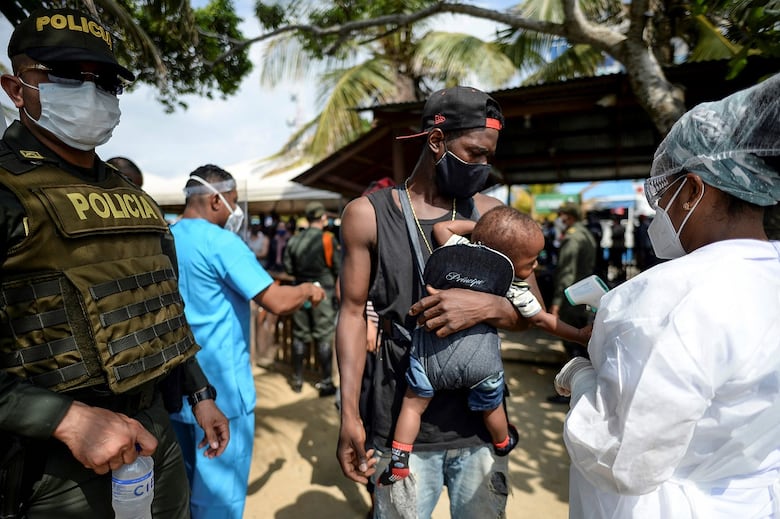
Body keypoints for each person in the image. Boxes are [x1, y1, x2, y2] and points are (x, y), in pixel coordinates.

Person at [0, 9, 229, 518]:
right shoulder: (7, 193)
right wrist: (63, 418)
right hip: (50, 461)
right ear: (16, 89)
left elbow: (160, 312)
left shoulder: (134, 199)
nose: (90, 92)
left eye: (103, 80)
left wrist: (200, 394)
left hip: (154, 434)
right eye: (63, 76)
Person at [554, 74, 780, 518]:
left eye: (664, 196)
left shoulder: (664, 295)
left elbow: (620, 459)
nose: (658, 213)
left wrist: (581, 374)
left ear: (694, 190)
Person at [336, 85, 539, 518]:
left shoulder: (491, 214)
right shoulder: (368, 214)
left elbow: (530, 312)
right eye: (474, 153)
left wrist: (485, 307)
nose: (484, 165)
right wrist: (348, 415)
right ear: (436, 141)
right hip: (400, 423)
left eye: (489, 156)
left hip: (478, 420)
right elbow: (352, 315)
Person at [378, 205, 592, 486]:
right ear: (512, 262)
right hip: (481, 362)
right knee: (492, 407)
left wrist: (480, 230)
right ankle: (502, 441)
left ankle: (399, 461)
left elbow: (442, 229)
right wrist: (578, 334)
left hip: (429, 355)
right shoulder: (514, 285)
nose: (535, 266)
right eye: (532, 260)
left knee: (412, 406)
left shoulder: (458, 252)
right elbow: (542, 320)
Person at [168, 164, 325, 519]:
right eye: (232, 202)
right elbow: (276, 300)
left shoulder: (167, 237)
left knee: (183, 492)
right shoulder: (222, 242)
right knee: (218, 502)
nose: (233, 211)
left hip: (178, 387)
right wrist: (308, 289)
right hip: (222, 391)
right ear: (214, 200)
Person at [283, 201, 341, 395]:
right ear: (323, 217)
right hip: (323, 293)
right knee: (324, 334)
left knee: (300, 334)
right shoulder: (327, 239)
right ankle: (325, 382)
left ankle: (297, 380)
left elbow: (288, 268)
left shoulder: (294, 240)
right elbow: (338, 268)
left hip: (300, 290)